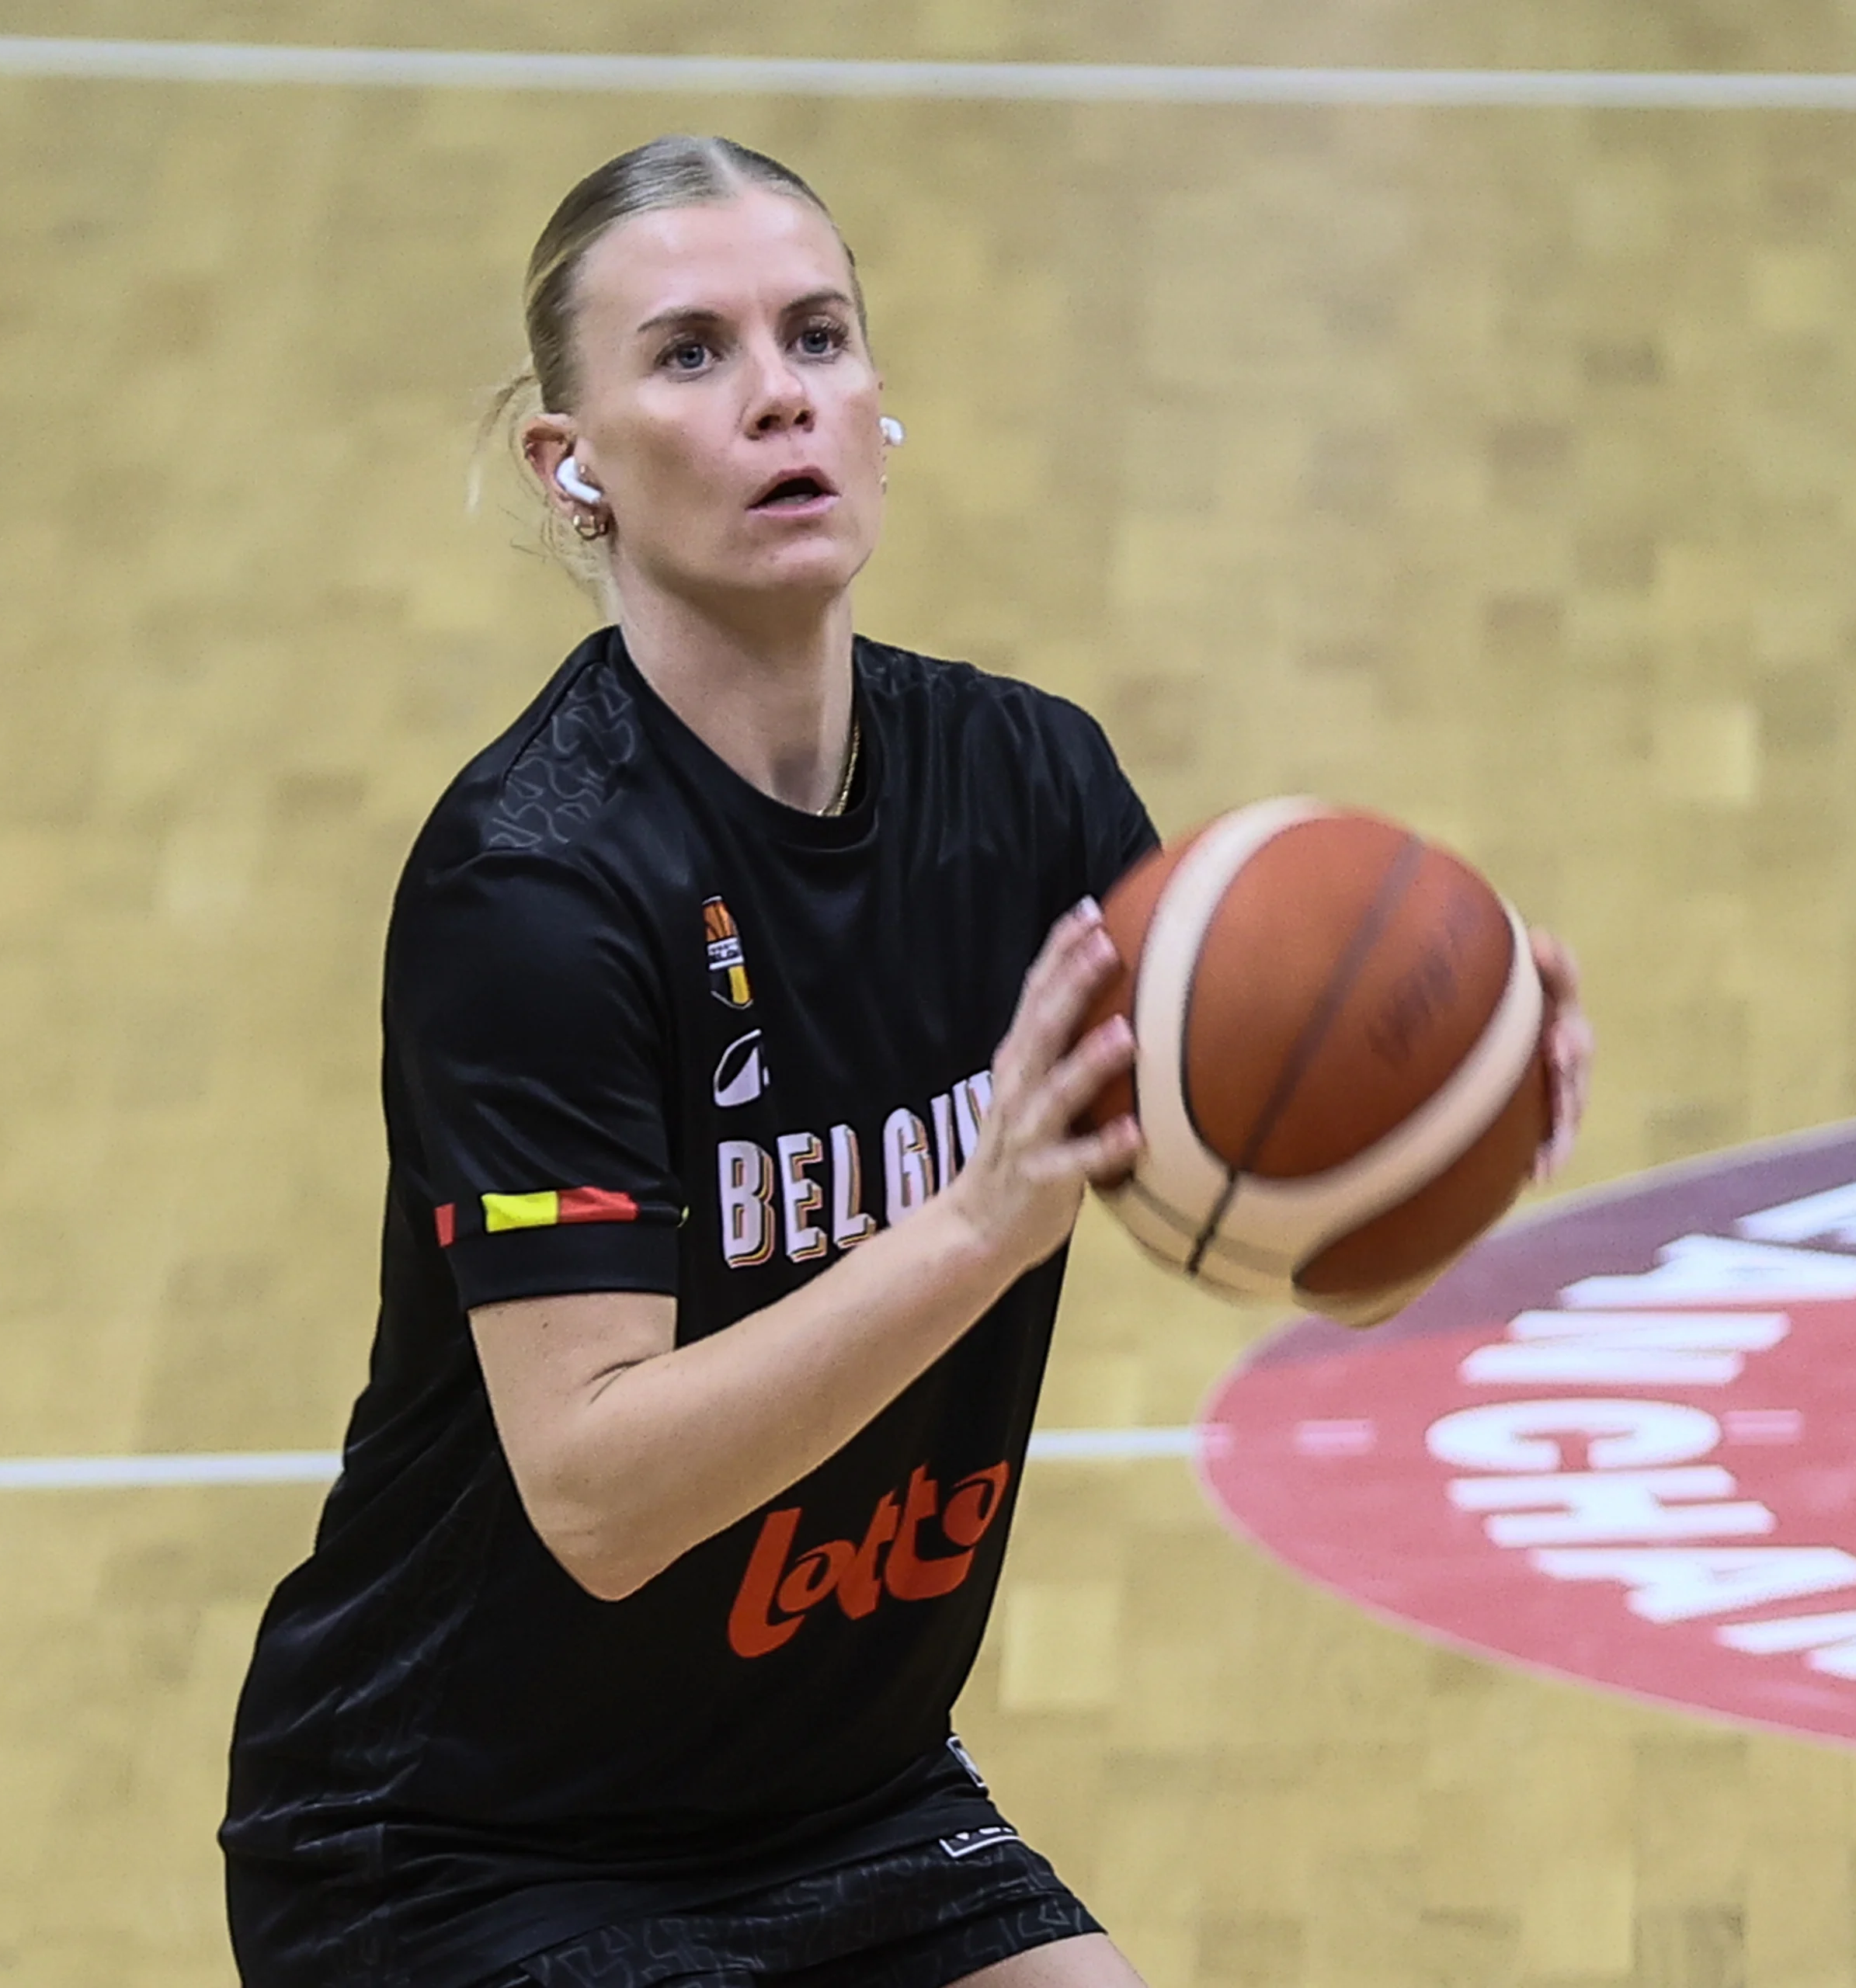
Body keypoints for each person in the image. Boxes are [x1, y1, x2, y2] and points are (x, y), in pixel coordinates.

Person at [219, 135, 1592, 1988]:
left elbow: (1254, 1207)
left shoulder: (1029, 792)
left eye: (819, 334)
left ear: (880, 407)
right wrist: (978, 1224)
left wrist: (1444, 1140)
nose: (779, 390)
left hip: (839, 1790)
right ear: (578, 467)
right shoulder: (531, 892)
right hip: (458, 1843)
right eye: (691, 354)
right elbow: (600, 1496)